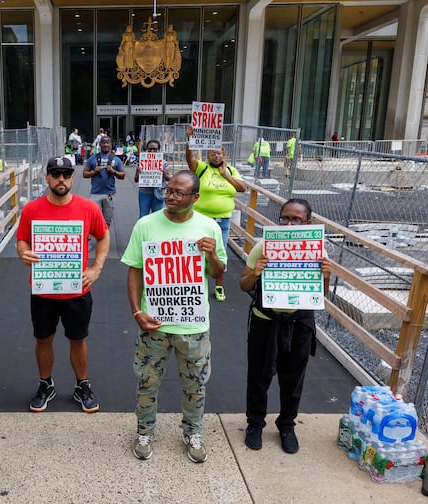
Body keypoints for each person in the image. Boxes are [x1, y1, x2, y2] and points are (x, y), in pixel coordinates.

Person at [121, 170, 226, 463]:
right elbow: (134, 270)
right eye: (169, 190)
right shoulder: (146, 225)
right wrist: (137, 312)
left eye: (179, 193)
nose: (171, 196)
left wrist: (213, 256)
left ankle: (193, 432)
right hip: (155, 323)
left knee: (195, 384)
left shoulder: (209, 228)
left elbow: (219, 274)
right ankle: (144, 432)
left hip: (193, 325)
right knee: (147, 381)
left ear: (195, 197)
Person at [16, 156, 110, 413]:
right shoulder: (32, 209)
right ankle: (45, 383)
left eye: (66, 174)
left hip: (77, 289)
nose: (61, 179)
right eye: (55, 174)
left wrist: (96, 268)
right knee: (43, 338)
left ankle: (82, 384)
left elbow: (103, 236)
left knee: (78, 339)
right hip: (44, 289)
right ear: (46, 177)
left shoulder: (88, 208)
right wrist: (23, 252)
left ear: (72, 177)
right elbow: (22, 240)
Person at [238, 198, 332, 454]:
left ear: (308, 223)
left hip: (299, 323)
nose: (289, 223)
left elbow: (319, 295)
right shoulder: (263, 247)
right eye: (285, 218)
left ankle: (287, 425)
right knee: (258, 376)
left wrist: (326, 276)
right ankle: (255, 423)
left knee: (293, 378)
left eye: (296, 219)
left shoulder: (318, 252)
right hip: (265, 321)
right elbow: (243, 285)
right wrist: (255, 272)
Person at [185, 126, 247, 302]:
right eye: (213, 154)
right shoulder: (202, 168)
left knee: (220, 253)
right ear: (208, 156)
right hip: (201, 219)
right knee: (196, 250)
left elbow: (242, 188)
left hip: (222, 220)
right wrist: (189, 141)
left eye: (219, 153)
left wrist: (225, 175)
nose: (216, 156)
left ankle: (219, 286)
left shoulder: (232, 171)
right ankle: (193, 283)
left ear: (224, 154)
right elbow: (189, 160)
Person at [83, 135, 125, 226]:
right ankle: (89, 239)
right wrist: (94, 172)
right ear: (100, 144)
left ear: (111, 145)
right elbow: (84, 174)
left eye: (108, 142)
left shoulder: (116, 159)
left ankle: (104, 239)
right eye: (103, 142)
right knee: (92, 219)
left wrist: (113, 172)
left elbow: (123, 175)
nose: (106, 144)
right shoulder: (93, 158)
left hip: (109, 193)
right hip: (95, 193)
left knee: (107, 221)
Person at [134, 139, 170, 218]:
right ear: (146, 149)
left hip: (158, 193)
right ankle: (142, 230)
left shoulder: (163, 162)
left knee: (157, 216)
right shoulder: (141, 162)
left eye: (155, 149)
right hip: (144, 192)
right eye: (150, 149)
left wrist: (163, 173)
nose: (152, 151)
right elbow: (136, 180)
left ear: (158, 150)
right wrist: (137, 172)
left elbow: (169, 178)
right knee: (143, 215)